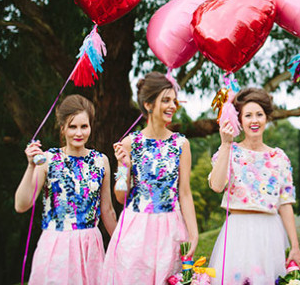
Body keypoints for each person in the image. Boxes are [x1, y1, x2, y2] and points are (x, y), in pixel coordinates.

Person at [101, 72, 198, 284]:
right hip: (136, 229)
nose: (172, 105)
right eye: (165, 100)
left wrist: (194, 233)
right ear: (148, 104)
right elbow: (120, 196)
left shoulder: (181, 144)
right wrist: (124, 166)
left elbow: (185, 193)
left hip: (171, 229)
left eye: (174, 100)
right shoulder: (129, 143)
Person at [15, 94, 117, 285]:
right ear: (62, 128)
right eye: (72, 126)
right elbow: (21, 205)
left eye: (84, 126)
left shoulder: (101, 161)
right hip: (56, 247)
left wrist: (123, 245)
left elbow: (107, 210)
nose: (78, 133)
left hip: (90, 250)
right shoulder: (47, 160)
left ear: (90, 127)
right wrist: (30, 166)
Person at [208, 88, 300, 285]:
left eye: (259, 114)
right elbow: (216, 186)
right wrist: (226, 144)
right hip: (238, 231)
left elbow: (285, 203)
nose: (254, 120)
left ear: (266, 118)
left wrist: (295, 245)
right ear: (239, 120)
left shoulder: (279, 157)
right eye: (248, 115)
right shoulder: (229, 151)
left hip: (270, 232)